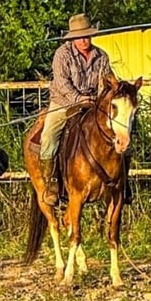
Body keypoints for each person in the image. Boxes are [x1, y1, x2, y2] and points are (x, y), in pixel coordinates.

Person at [39, 13, 133, 206]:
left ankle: (124, 180)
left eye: (87, 35)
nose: (84, 40)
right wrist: (79, 98)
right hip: (64, 102)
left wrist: (103, 97)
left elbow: (107, 81)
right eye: (80, 36)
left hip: (94, 103)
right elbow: (62, 83)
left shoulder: (102, 56)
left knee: (123, 131)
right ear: (72, 38)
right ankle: (52, 182)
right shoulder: (62, 55)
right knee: (48, 136)